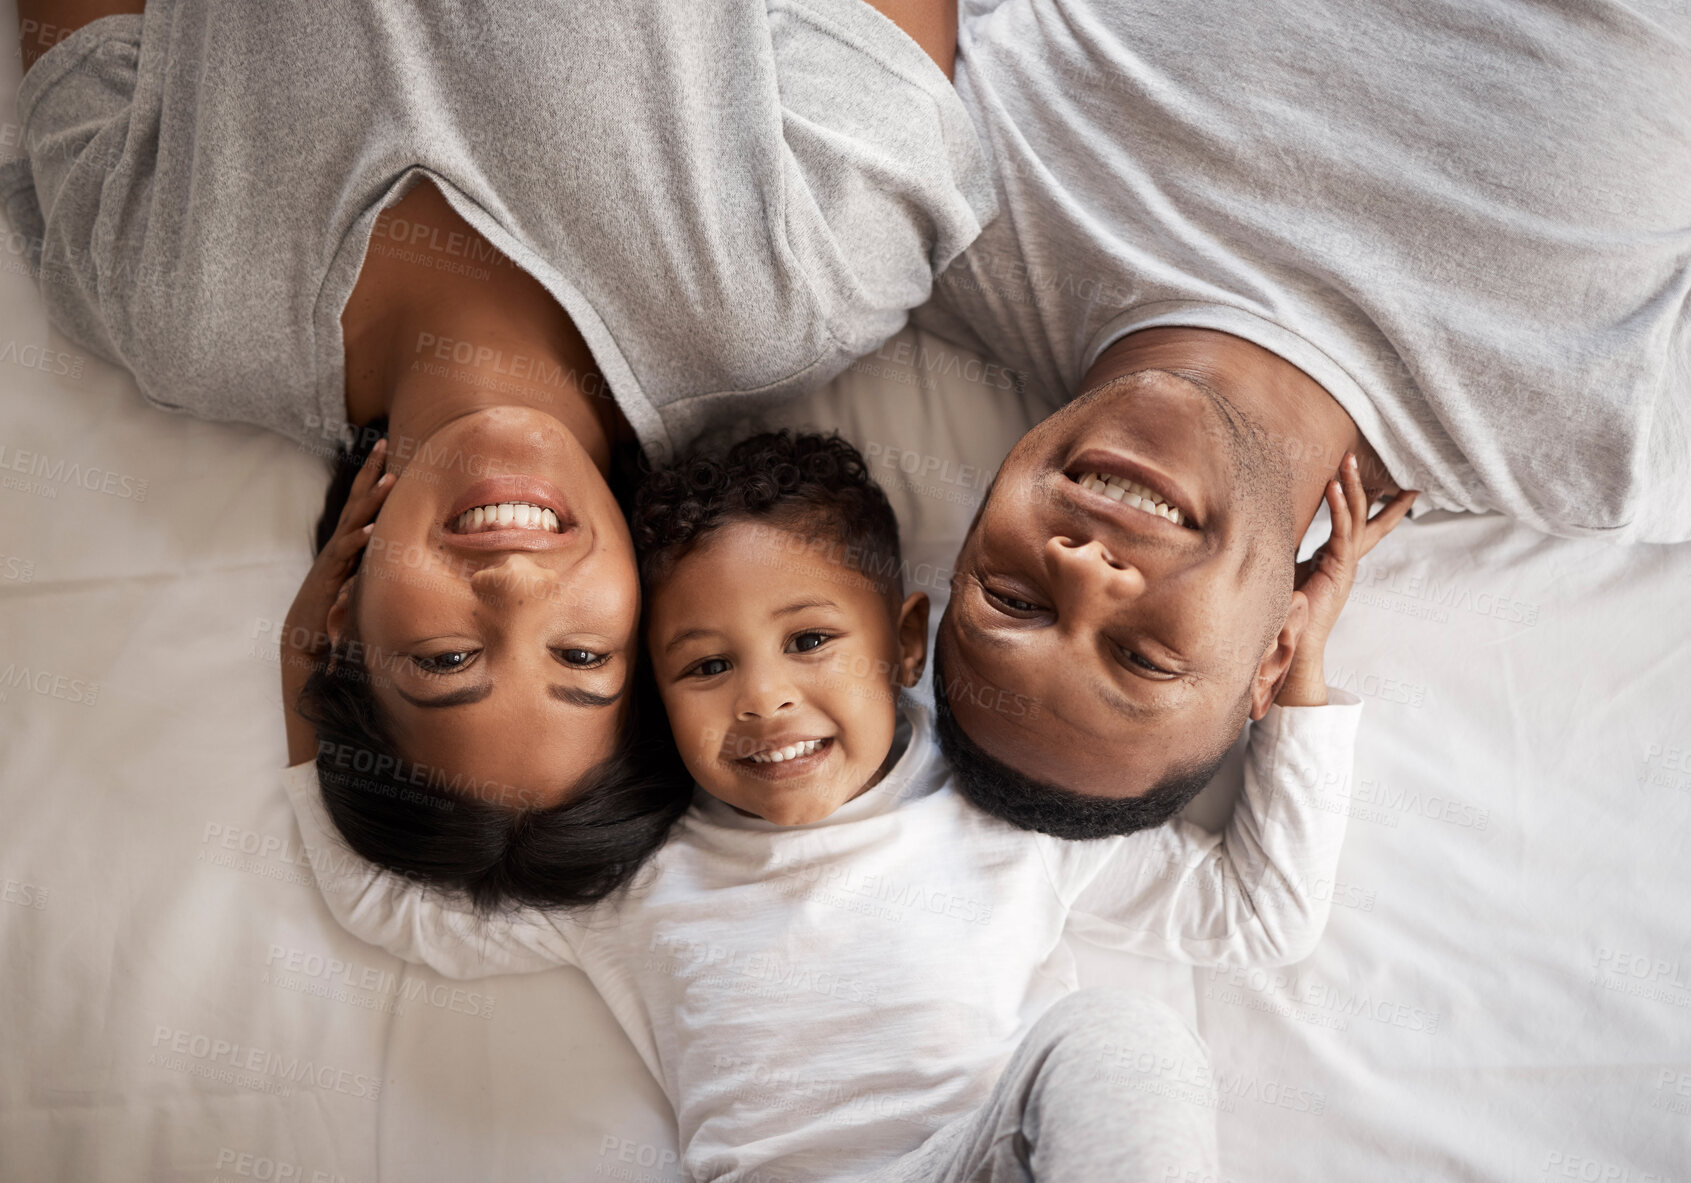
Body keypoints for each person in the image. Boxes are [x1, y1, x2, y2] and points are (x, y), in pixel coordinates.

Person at [4, 0, 994, 903]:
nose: (516, 588)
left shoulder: (161, 307)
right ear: (653, 617)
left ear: (341, 616)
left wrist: (297, 694)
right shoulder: (811, 281)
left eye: (445, 658)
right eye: (581, 653)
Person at [280, 429, 1391, 1181]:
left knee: (1116, 1037)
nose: (764, 698)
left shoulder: (1001, 812)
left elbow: (1258, 915)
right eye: (703, 667)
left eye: (810, 641)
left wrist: (1294, 661)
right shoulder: (633, 869)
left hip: (970, 1156)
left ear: (903, 642)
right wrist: (304, 668)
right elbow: (388, 910)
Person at [918, 0, 1691, 828]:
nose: (1085, 572)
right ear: (1277, 650)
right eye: (1141, 656)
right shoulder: (1614, 445)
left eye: (1012, 599)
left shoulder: (946, 213)